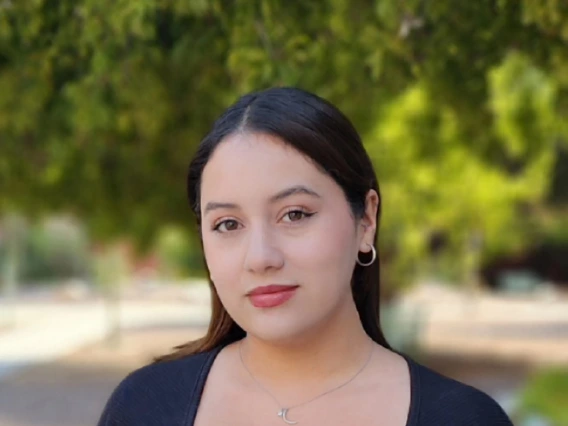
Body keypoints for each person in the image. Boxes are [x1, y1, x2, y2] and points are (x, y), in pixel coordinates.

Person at [97, 87, 513, 426]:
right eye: (227, 224)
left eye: (295, 214)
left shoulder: (463, 418)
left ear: (366, 220)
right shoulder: (143, 408)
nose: (260, 258)